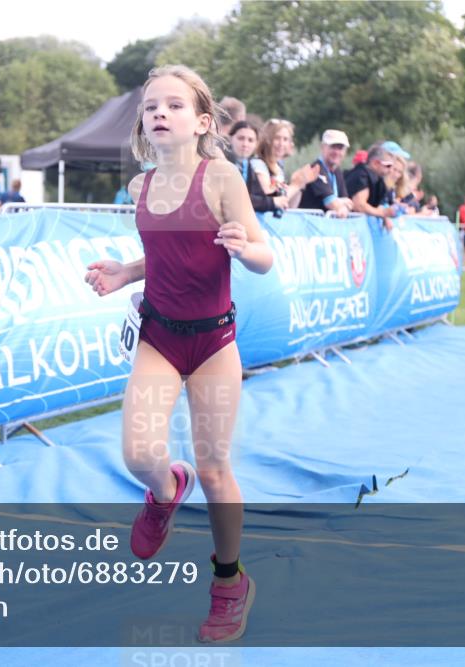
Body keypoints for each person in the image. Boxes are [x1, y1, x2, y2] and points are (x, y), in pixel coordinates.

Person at [84, 65, 272, 643]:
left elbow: (263, 254)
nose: (159, 113)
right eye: (150, 107)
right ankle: (165, 493)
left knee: (216, 470)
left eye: (174, 105)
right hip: (160, 336)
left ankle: (229, 582)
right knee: (140, 456)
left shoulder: (221, 178)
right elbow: (168, 255)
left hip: (214, 341)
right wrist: (125, 272)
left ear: (202, 122)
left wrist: (246, 249)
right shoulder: (140, 187)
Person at [290, 129, 353, 218]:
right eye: (333, 147)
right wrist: (341, 205)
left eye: (340, 148)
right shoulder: (316, 168)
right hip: (308, 227)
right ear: (323, 147)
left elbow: (348, 203)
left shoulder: (337, 171)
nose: (337, 152)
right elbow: (330, 203)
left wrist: (342, 205)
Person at [228, 120, 285, 214]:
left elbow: (258, 196)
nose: (245, 144)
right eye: (241, 138)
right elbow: (235, 198)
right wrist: (272, 202)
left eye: (250, 140)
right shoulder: (222, 163)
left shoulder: (251, 166)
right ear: (231, 138)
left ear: (256, 144)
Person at [344, 143, 401, 231]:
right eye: (388, 166)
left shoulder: (378, 180)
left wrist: (385, 217)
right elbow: (359, 205)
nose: (390, 171)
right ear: (375, 163)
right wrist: (382, 213)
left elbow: (380, 204)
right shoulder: (361, 175)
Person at [253, 119, 302, 212]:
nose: (281, 144)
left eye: (285, 139)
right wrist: (295, 185)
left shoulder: (278, 167)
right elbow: (268, 195)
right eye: (277, 138)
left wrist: (298, 187)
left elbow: (287, 205)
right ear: (267, 140)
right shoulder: (258, 164)